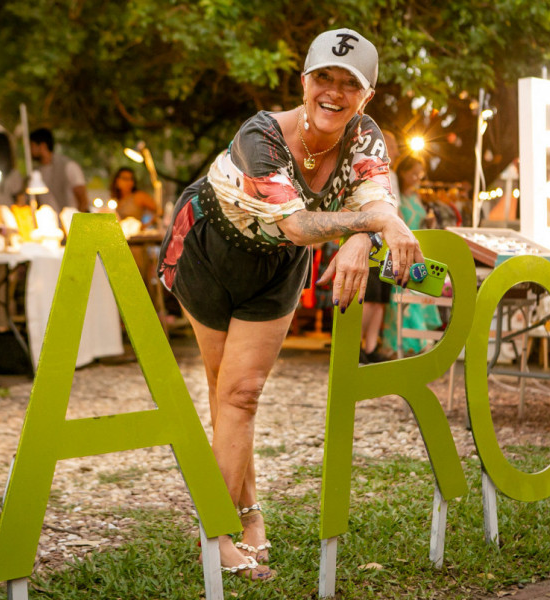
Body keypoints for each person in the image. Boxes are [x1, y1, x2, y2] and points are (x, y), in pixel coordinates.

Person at [158, 28, 422, 581]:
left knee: (241, 393)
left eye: (349, 83)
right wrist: (372, 223)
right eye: (323, 77)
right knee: (225, 393)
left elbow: (378, 196)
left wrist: (361, 233)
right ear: (303, 81)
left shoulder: (365, 136)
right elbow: (301, 224)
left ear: (366, 95)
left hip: (277, 267)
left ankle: (218, 532)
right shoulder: (261, 134)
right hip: (209, 251)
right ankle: (245, 516)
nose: (333, 92)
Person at [381, 156, 441, 356]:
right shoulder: (396, 199)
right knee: (402, 294)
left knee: (416, 294)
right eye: (413, 173)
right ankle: (403, 343)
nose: (416, 178)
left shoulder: (418, 198)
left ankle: (416, 340)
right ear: (403, 173)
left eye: (420, 174)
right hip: (399, 250)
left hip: (418, 250)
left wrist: (431, 222)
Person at [360, 129, 399, 363]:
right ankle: (356, 344)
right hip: (371, 242)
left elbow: (398, 211)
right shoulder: (366, 170)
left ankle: (371, 346)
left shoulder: (391, 174)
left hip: (388, 244)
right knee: (369, 298)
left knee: (380, 301)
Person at [29, 127, 89, 212]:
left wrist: (76, 223)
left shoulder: (68, 166)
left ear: (42, 146)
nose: (29, 151)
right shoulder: (36, 172)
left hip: (70, 222)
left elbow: (83, 200)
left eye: (32, 146)